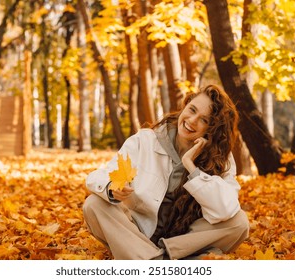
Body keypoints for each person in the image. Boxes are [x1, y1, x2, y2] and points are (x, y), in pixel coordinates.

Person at [83, 84, 249, 260]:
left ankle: (153, 259)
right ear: (184, 106)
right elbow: (99, 176)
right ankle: (157, 261)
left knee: (239, 223)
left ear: (212, 129)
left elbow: (226, 209)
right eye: (192, 110)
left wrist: (191, 168)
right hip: (138, 232)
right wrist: (112, 188)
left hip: (184, 240)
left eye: (204, 120)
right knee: (94, 204)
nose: (192, 120)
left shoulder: (220, 157)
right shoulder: (145, 140)